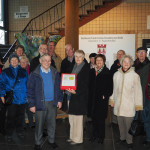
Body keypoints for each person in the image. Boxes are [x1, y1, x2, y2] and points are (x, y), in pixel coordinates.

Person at [27, 53, 63, 150]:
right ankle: (38, 143)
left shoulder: (55, 72)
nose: (47, 62)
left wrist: (60, 99)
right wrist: (32, 104)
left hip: (52, 102)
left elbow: (59, 88)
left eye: (49, 60)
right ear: (40, 61)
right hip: (39, 103)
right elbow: (30, 90)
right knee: (39, 124)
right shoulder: (34, 74)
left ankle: (51, 140)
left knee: (52, 123)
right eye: (45, 60)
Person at [110, 55, 143, 150]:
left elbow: (138, 92)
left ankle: (129, 141)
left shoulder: (135, 76)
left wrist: (138, 105)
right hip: (119, 105)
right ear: (121, 62)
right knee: (120, 124)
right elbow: (113, 89)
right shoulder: (116, 75)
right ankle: (122, 138)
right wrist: (112, 100)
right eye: (124, 61)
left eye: (128, 62)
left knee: (129, 125)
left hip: (129, 105)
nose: (126, 63)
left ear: (131, 63)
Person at [0, 54, 28, 142]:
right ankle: (9, 133)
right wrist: (1, 95)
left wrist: (28, 96)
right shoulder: (5, 72)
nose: (14, 61)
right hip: (12, 98)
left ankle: (20, 131)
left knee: (21, 116)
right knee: (10, 117)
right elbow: (1, 84)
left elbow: (28, 84)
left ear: (18, 61)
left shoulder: (24, 72)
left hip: (22, 97)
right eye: (12, 60)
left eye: (16, 60)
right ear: (10, 62)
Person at [66, 50, 89, 145]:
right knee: (71, 118)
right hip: (70, 96)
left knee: (78, 120)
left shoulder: (86, 68)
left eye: (80, 57)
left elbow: (86, 85)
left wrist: (76, 91)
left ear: (83, 58)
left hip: (79, 97)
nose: (78, 58)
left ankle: (78, 139)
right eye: (76, 56)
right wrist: (66, 86)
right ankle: (72, 136)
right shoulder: (74, 66)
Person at [88, 54, 113, 144]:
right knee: (93, 119)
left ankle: (101, 137)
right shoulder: (91, 71)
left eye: (100, 60)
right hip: (92, 99)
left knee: (101, 120)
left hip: (101, 100)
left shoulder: (107, 72)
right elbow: (88, 85)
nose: (98, 62)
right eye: (97, 60)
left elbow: (110, 87)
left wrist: (105, 95)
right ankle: (94, 135)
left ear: (103, 62)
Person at [133, 47, 150, 147]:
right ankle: (135, 135)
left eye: (143, 52)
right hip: (135, 96)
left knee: (147, 118)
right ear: (137, 54)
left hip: (146, 96)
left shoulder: (149, 65)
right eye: (139, 52)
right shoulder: (133, 66)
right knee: (136, 117)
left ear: (146, 53)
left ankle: (148, 138)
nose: (141, 54)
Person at [110, 50, 125, 125]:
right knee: (114, 104)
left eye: (121, 54)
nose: (119, 56)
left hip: (124, 89)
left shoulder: (126, 64)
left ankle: (121, 122)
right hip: (115, 87)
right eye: (118, 54)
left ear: (124, 55)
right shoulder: (114, 64)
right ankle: (114, 121)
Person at [20, 56, 34, 128]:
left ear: (27, 63)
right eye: (22, 62)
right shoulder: (18, 70)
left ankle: (31, 124)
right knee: (22, 111)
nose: (23, 63)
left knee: (29, 110)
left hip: (29, 93)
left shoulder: (30, 70)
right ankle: (23, 125)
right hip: (21, 94)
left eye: (24, 62)